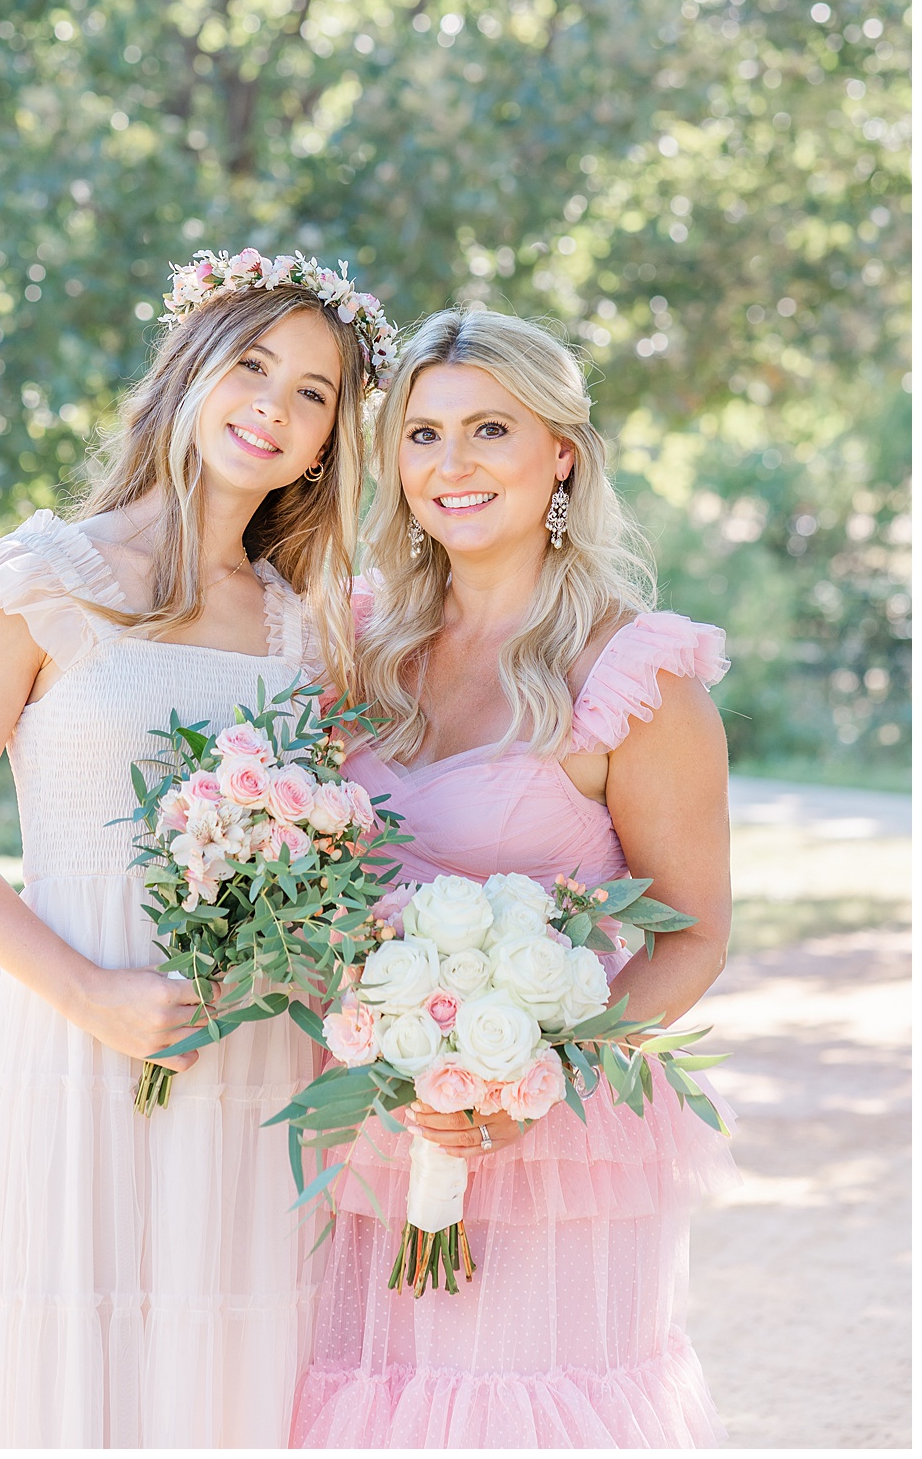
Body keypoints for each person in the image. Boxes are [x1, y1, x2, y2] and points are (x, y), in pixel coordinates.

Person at [0, 248, 396, 1448]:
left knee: (239, 1357)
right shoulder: (36, 582)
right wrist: (94, 994)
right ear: (190, 371)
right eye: (254, 363)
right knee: (85, 1353)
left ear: (328, 441)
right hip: (84, 1031)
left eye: (316, 392)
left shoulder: (305, 623)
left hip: (260, 1039)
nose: (276, 404)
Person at [292, 308, 739, 1449]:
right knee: (356, 1404)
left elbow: (689, 935)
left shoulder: (636, 674)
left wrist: (526, 1071)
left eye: (491, 427)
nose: (453, 464)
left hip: (546, 1138)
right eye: (424, 433)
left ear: (562, 453)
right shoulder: (352, 641)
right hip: (357, 1123)